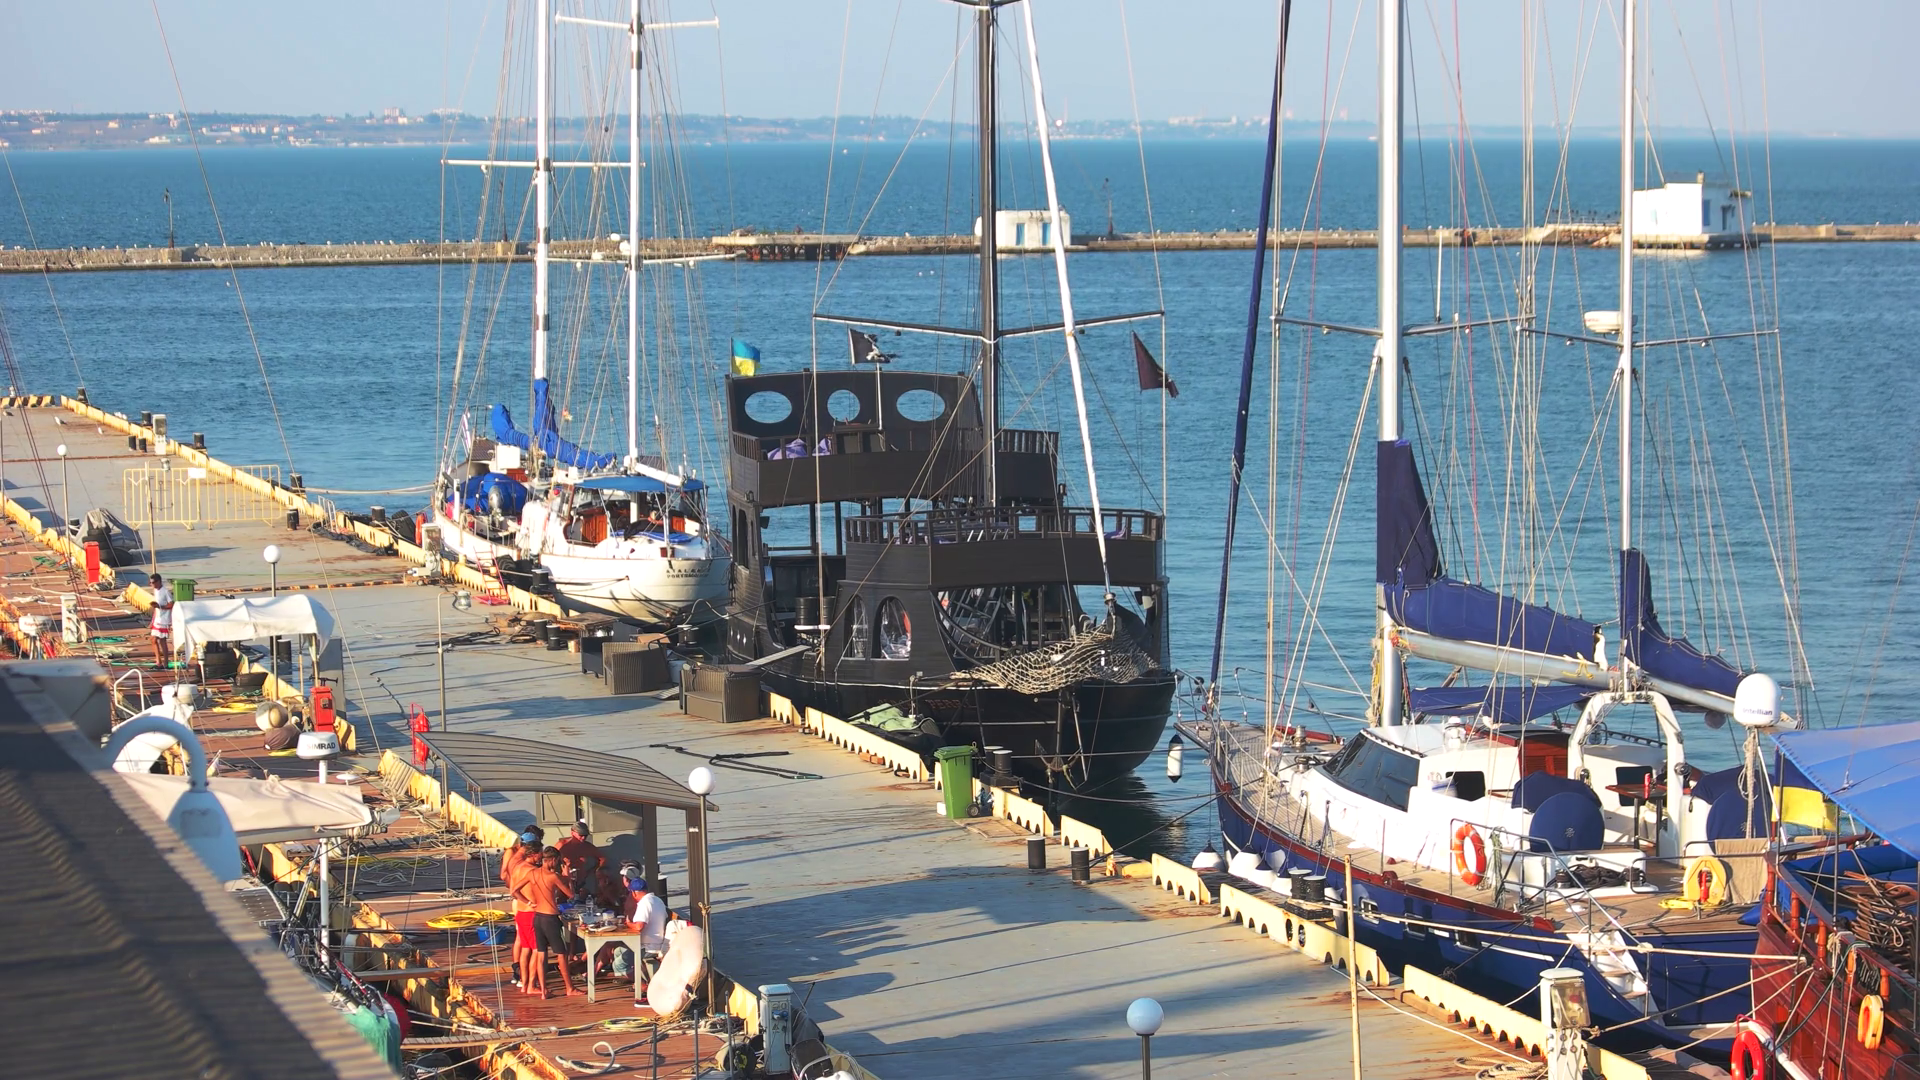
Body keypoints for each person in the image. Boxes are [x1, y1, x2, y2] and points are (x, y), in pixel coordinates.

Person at [512, 849, 579, 998]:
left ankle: (543, 991)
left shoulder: (532, 873)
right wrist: (569, 879)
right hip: (550, 918)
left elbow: (514, 890)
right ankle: (569, 988)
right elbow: (570, 895)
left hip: (537, 917)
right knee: (561, 954)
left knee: (541, 954)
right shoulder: (553, 876)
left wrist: (528, 902)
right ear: (553, 860)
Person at [501, 829, 543, 988]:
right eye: (540, 853)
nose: (541, 857)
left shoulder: (515, 862)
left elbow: (510, 884)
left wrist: (522, 898)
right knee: (536, 949)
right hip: (529, 911)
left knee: (524, 945)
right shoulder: (530, 869)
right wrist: (530, 901)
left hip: (520, 908)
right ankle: (531, 984)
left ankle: (522, 980)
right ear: (532, 851)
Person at [554, 819, 604, 894]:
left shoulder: (588, 847)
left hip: (581, 883)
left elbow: (603, 859)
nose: (583, 838)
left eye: (585, 835)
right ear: (572, 833)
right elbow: (550, 858)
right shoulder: (562, 845)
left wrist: (595, 870)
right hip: (564, 882)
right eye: (581, 835)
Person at [149, 574, 174, 668]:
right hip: (157, 618)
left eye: (153, 582)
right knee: (153, 639)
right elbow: (156, 608)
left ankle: (166, 663)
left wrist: (161, 607)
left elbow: (171, 604)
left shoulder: (166, 591)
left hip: (164, 619)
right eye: (150, 582)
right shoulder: (155, 590)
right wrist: (152, 620)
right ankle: (158, 661)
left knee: (162, 641)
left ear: (159, 582)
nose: (151, 584)